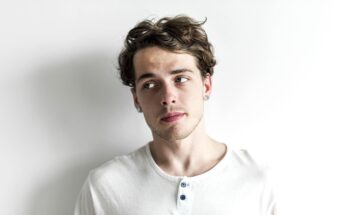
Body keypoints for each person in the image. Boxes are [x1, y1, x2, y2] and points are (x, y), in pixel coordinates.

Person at [74, 15, 277, 215]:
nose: (168, 97)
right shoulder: (106, 186)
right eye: (150, 85)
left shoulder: (258, 180)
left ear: (206, 85)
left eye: (180, 79)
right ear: (136, 98)